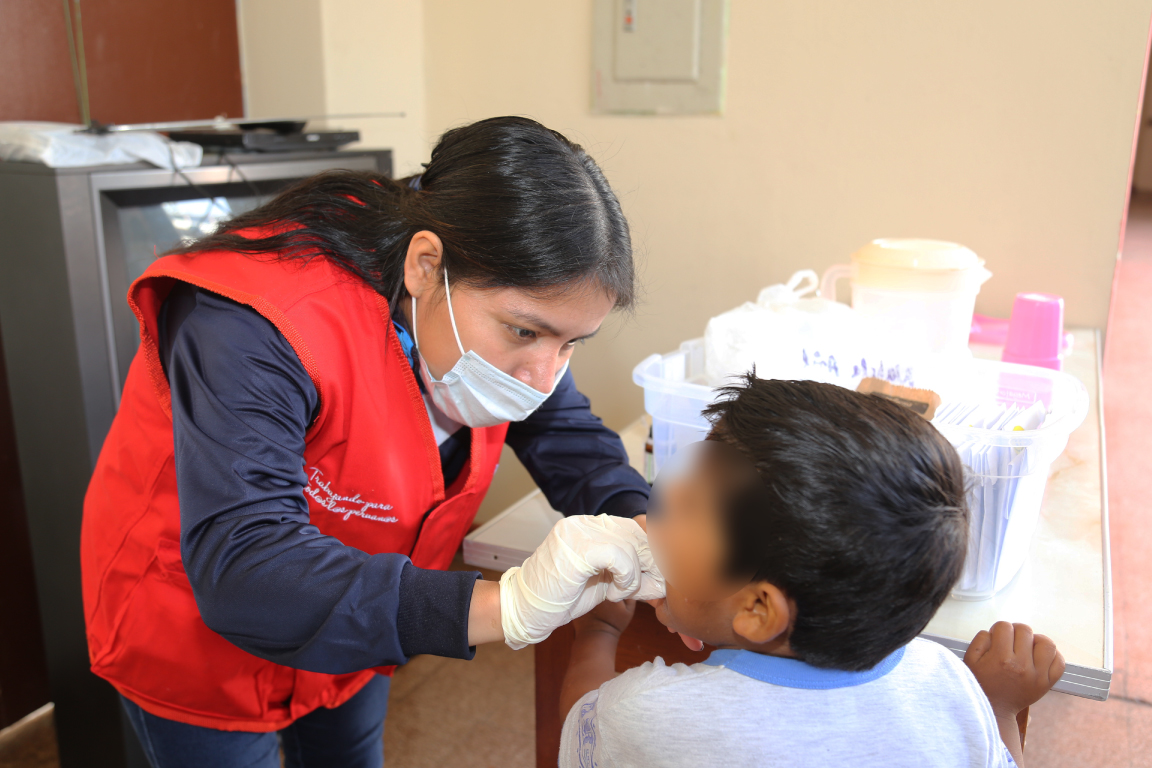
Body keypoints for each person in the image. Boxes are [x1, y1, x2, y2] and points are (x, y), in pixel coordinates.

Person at [80, 116, 663, 768]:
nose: (545, 373)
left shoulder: (496, 309)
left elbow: (562, 430)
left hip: (355, 610)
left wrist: (650, 534)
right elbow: (246, 568)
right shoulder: (252, 322)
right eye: (526, 334)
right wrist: (509, 604)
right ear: (424, 266)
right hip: (192, 624)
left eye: (571, 343)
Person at [558, 375, 1065, 767]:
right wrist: (996, 709)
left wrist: (597, 635)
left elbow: (581, 733)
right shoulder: (951, 686)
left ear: (758, 609)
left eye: (686, 506)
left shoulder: (649, 716)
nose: (650, 521)